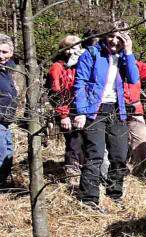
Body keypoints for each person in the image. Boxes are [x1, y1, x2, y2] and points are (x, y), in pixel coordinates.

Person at [72, 27, 140, 209]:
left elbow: (133, 78)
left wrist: (129, 51)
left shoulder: (124, 56)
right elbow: (80, 82)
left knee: (119, 154)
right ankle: (89, 199)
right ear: (104, 36)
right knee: (95, 154)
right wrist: (81, 111)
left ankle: (114, 194)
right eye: (111, 36)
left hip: (117, 110)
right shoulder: (91, 54)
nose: (114, 41)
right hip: (94, 110)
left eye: (120, 38)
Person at [48, 34, 85, 180]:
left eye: (78, 47)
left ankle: (82, 169)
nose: (75, 51)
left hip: (80, 109)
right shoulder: (57, 68)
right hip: (66, 110)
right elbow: (55, 93)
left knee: (83, 140)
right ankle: (71, 171)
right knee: (73, 140)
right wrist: (63, 115)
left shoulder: (79, 66)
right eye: (72, 48)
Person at [0, 34, 23, 191]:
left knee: (8, 152)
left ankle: (3, 183)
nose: (1, 56)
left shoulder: (11, 70)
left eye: (4, 52)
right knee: (2, 153)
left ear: (11, 53)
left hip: (7, 119)